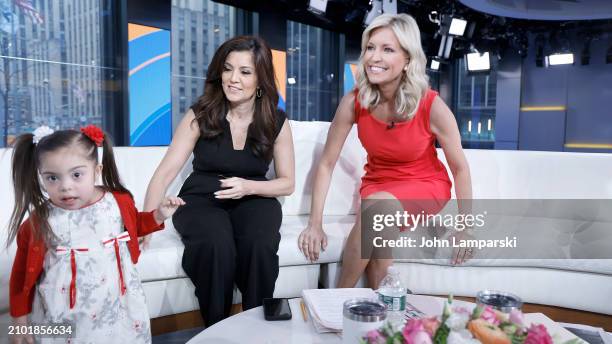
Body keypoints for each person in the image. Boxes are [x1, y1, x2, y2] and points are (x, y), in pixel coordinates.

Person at [298, 13, 472, 289]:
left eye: (387, 49)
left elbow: (460, 169)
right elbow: (326, 163)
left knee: (377, 208)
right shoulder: (354, 101)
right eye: (370, 47)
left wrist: (465, 227)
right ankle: (383, 315)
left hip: (424, 185)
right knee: (379, 241)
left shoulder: (431, 105)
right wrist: (314, 223)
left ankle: (336, 298)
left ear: (407, 60)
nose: (373, 57)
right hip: (378, 184)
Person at [143, 35, 295, 326]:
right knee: (215, 243)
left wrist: (249, 186)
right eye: (228, 69)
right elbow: (164, 173)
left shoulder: (276, 121)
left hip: (254, 198)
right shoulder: (201, 114)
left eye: (245, 72)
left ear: (260, 79)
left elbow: (287, 182)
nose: (233, 79)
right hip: (201, 200)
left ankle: (257, 327)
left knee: (259, 243)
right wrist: (146, 223)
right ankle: (216, 329)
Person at [7, 125, 184, 344]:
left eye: (77, 175)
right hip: (63, 314)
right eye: (52, 178)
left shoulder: (117, 201)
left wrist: (158, 215)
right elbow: (21, 274)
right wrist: (19, 322)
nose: (65, 186)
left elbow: (134, 225)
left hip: (120, 305)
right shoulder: (39, 221)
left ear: (97, 171)